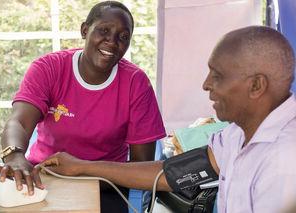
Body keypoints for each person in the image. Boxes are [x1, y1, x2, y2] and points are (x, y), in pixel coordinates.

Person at [27, 26, 296, 212]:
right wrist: (83, 167)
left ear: (256, 86)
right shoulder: (238, 134)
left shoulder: (286, 159)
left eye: (217, 76)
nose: (205, 85)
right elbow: (172, 174)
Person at [0, 1, 166, 212]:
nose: (112, 41)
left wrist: (82, 170)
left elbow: (141, 166)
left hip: (106, 185)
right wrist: (15, 156)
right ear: (84, 30)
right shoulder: (49, 68)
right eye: (104, 30)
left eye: (123, 37)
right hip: (44, 179)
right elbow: (18, 120)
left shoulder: (136, 83)